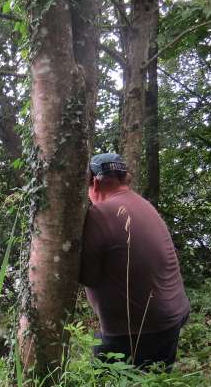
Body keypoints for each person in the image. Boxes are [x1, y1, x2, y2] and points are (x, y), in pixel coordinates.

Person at [80, 153, 190, 370]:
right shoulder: (143, 203)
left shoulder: (99, 214)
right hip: (173, 316)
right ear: (123, 178)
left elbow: (87, 276)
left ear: (93, 182)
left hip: (137, 331)